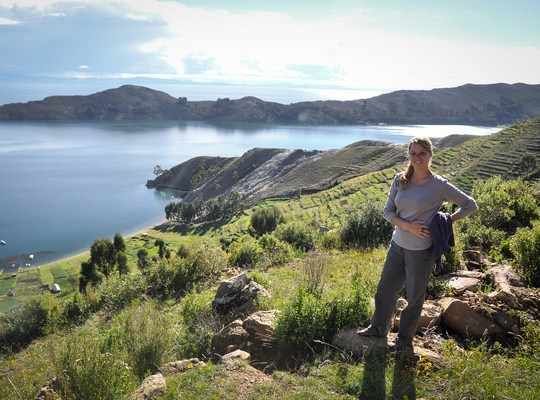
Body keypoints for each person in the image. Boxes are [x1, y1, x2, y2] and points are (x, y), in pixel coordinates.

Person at [357, 136, 478, 355]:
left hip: (421, 251)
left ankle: (403, 340)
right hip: (397, 245)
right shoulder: (399, 179)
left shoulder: (439, 185)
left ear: (431, 154)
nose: (417, 158)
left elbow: (470, 205)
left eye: (422, 153)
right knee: (384, 291)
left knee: (414, 298)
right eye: (413, 153)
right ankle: (378, 329)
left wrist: (446, 221)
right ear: (409, 156)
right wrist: (407, 226)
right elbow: (388, 212)